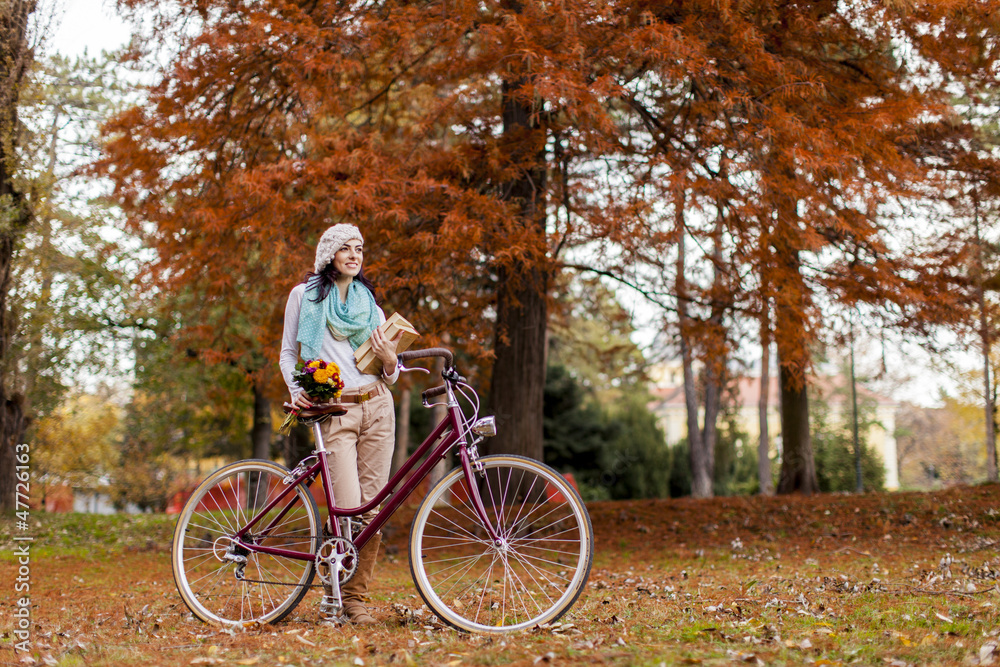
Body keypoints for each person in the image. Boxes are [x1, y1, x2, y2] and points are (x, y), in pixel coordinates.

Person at [279, 223, 401, 625]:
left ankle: (354, 602)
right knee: (347, 509)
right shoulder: (305, 296)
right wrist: (295, 387)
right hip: (337, 411)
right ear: (329, 253)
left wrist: (387, 358)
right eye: (345, 248)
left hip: (379, 407)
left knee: (372, 513)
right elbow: (287, 353)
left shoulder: (371, 305)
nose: (353, 254)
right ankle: (334, 592)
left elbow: (392, 372)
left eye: (360, 249)